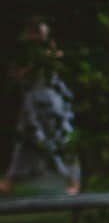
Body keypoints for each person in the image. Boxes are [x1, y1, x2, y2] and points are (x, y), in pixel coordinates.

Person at [1, 18, 81, 196]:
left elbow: (58, 68)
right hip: (32, 102)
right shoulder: (25, 54)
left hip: (52, 102)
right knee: (25, 141)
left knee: (62, 138)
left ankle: (73, 181)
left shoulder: (50, 51)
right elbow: (16, 75)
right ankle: (9, 181)